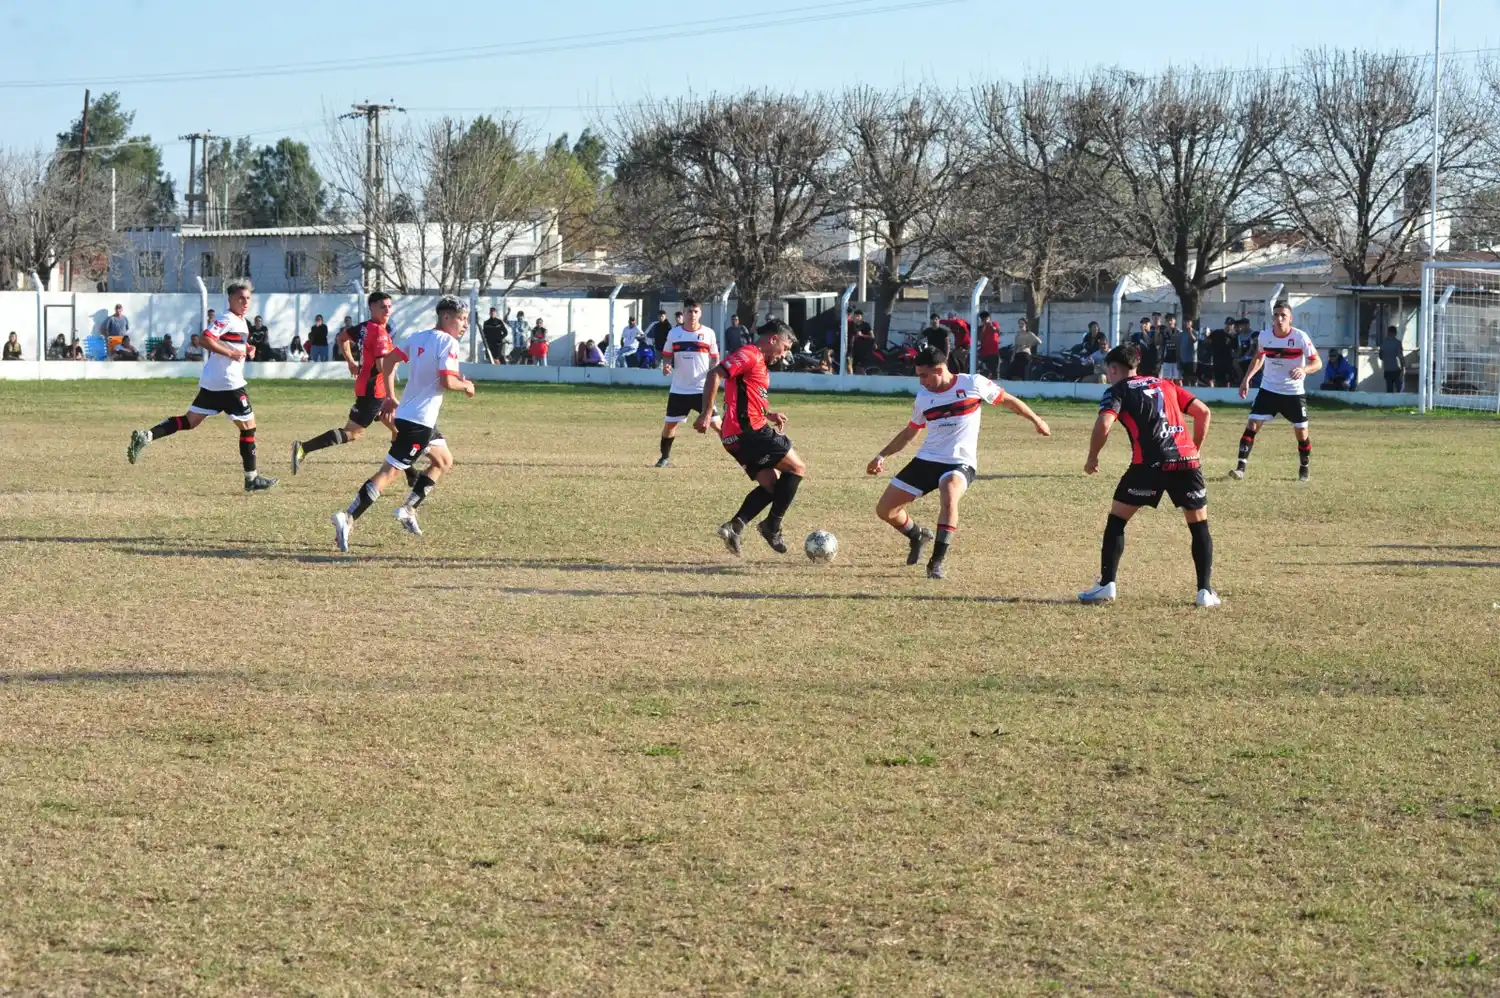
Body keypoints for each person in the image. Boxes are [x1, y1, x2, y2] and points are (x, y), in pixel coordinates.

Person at [868, 341, 1050, 580]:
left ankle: (936, 562)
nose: (921, 382)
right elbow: (910, 432)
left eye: (924, 376)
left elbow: (1009, 401)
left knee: (949, 491)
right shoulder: (924, 397)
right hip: (927, 459)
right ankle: (916, 535)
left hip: (959, 462)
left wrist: (1037, 420)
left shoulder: (973, 384)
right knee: (885, 510)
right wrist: (882, 455)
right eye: (918, 377)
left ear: (940, 369)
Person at [331, 295, 476, 552]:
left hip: (415, 417)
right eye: (462, 319)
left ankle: (408, 509)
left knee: (443, 461)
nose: (465, 325)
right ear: (446, 318)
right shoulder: (449, 342)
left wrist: (390, 395)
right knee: (389, 473)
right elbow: (447, 381)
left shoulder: (419, 336)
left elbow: (388, 361)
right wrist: (466, 385)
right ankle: (349, 517)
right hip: (418, 422)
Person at [1079, 343, 1218, 608]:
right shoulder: (1165, 384)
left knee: (1117, 519)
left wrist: (1092, 457)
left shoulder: (1118, 390)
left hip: (1149, 464)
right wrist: (1195, 450)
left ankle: (1107, 584)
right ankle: (1205, 592)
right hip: (1187, 463)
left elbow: (1105, 423)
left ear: (1114, 368)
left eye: (1109, 370)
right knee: (1198, 524)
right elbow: (1204, 412)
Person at [126, 280, 277, 492]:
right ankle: (251, 479)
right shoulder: (227, 318)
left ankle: (146, 436)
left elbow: (228, 342)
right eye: (240, 298)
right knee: (249, 428)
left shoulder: (241, 321)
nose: (244, 302)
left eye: (248, 298)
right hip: (229, 383)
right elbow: (206, 339)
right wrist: (232, 353)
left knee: (190, 421)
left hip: (213, 382)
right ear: (230, 299)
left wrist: (246, 348)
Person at [695, 319, 804, 556]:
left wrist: (769, 413)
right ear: (773, 339)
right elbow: (715, 374)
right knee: (797, 468)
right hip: (749, 432)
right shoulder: (750, 354)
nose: (784, 355)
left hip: (734, 436)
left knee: (772, 486)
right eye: (784, 348)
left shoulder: (760, 364)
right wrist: (706, 413)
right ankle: (771, 526)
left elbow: (748, 395)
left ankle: (734, 527)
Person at [292, 291, 401, 474]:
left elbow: (342, 338)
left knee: (397, 428)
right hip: (375, 391)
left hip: (368, 387)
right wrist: (396, 359)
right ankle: (303, 448)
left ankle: (411, 474)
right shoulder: (380, 333)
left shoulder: (364, 327)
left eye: (390, 306)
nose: (387, 310)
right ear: (372, 308)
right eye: (383, 307)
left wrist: (351, 361)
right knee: (353, 433)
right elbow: (382, 365)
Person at [1231, 301, 1322, 483]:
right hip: (1268, 389)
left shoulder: (1300, 337)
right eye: (1276, 315)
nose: (1279, 319)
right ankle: (1240, 468)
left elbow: (1317, 362)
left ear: (1290, 318)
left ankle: (1304, 467)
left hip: (1293, 392)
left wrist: (1304, 369)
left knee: (1302, 432)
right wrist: (1246, 379)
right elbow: (1259, 357)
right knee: (1252, 425)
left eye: (1283, 316)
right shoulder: (1265, 336)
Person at [656, 297, 721, 467]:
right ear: (683, 313)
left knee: (718, 426)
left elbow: (715, 359)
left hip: (702, 390)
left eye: (695, 311)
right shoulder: (674, 333)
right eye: (689, 311)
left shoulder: (708, 333)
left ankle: (742, 459)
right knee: (670, 425)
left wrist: (714, 376)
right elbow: (667, 354)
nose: (692, 314)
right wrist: (666, 365)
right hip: (679, 389)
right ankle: (664, 458)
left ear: (700, 313)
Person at [1209, 321, 1235, 388]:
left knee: (1228, 379)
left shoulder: (1233, 336)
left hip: (1227, 361)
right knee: (1218, 379)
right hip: (1217, 360)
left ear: (1233, 326)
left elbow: (1235, 348)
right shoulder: (1217, 332)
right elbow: (1208, 340)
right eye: (1227, 324)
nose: (1228, 326)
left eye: (1230, 325)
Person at [977, 311, 1003, 379]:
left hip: (993, 353)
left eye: (986, 319)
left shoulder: (994, 324)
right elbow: (980, 339)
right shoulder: (980, 328)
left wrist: (989, 325)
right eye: (983, 320)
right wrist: (984, 328)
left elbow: (996, 330)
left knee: (994, 372)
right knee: (981, 371)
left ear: (989, 318)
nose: (985, 321)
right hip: (983, 353)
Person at [1380, 326, 1405, 393]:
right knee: (1399, 388)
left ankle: (1389, 402)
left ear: (1388, 333)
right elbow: (1400, 356)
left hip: (1387, 369)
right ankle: (1399, 402)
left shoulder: (1383, 343)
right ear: (1395, 333)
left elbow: (1381, 356)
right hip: (1396, 369)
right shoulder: (1398, 343)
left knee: (1389, 388)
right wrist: (1403, 367)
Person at [1178, 318, 1198, 386]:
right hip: (1183, 360)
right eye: (1185, 322)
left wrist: (1190, 332)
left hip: (1192, 360)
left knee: (1192, 378)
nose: (1187, 323)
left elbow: (1195, 340)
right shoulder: (1182, 333)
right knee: (1185, 379)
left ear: (1191, 323)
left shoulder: (1195, 332)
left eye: (1188, 322)